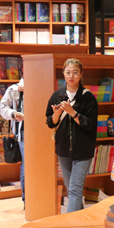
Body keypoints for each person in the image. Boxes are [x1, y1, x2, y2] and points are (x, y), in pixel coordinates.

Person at [46, 59, 98, 213]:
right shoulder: (57, 96)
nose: (71, 76)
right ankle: (79, 220)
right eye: (68, 72)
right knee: (71, 190)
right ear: (63, 74)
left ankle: (69, 224)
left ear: (81, 74)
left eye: (75, 72)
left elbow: (89, 124)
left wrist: (72, 112)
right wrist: (56, 114)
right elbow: (50, 123)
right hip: (63, 150)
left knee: (75, 190)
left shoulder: (88, 97)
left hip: (83, 151)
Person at [0, 77, 25, 206]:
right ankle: (28, 200)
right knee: (27, 166)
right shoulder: (14, 89)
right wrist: (14, 114)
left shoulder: (42, 84)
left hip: (42, 132)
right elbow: (3, 109)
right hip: (23, 133)